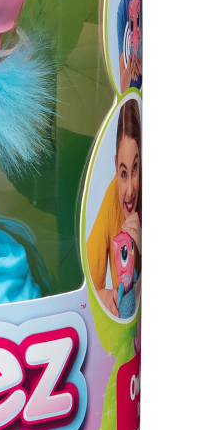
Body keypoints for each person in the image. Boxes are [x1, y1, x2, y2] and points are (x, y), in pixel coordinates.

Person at [87, 99, 141, 317]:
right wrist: (101, 295)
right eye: (123, 173)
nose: (129, 193)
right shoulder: (112, 194)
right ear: (115, 165)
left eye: (135, 169)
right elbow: (88, 280)